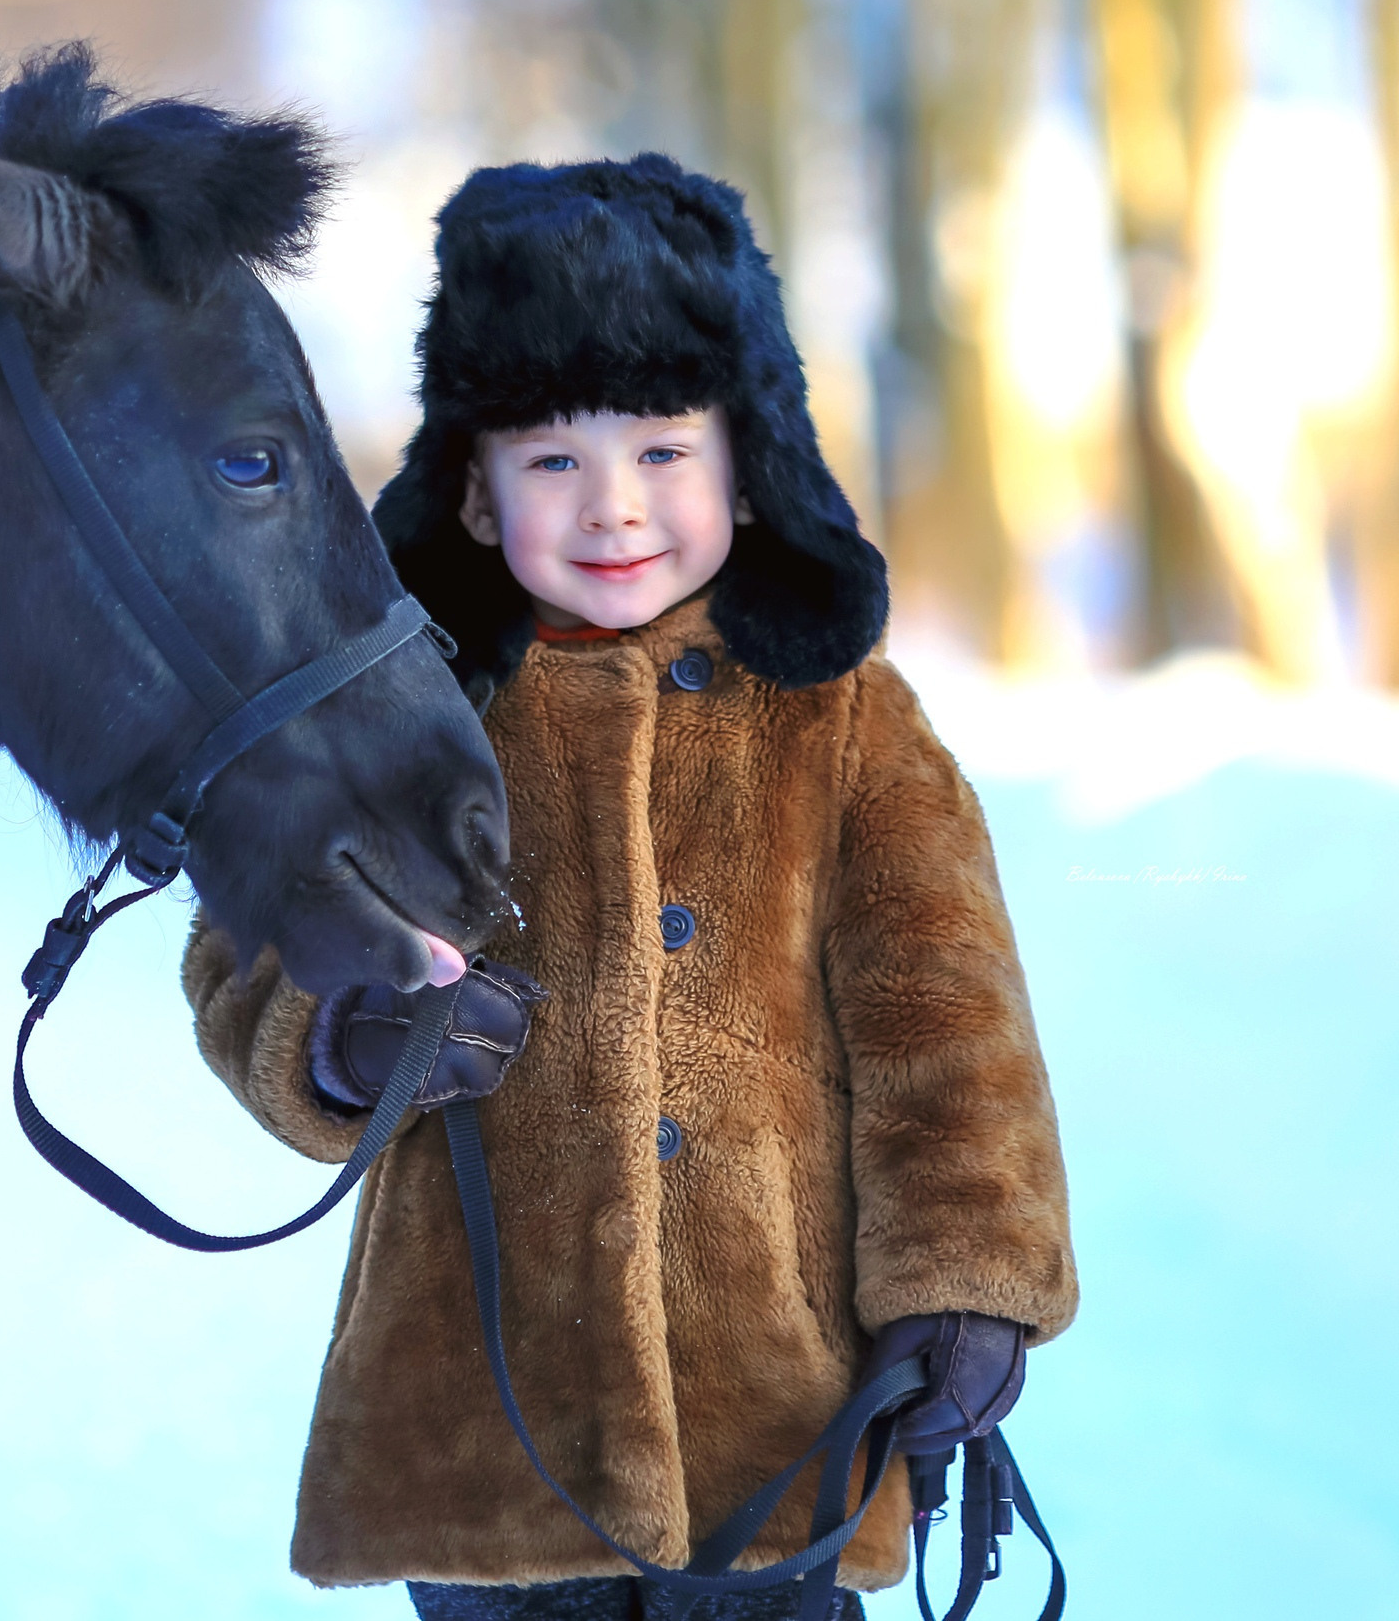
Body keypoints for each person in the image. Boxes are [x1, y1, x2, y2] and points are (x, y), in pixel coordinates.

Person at [183, 156, 1078, 1620]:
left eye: (663, 453)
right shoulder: (398, 719)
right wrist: (342, 1033)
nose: (613, 506)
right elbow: (245, 956)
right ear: (473, 497)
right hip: (480, 1426)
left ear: (747, 461)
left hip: (780, 1424)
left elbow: (947, 1024)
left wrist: (969, 1278)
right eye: (552, 462)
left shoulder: (845, 716)